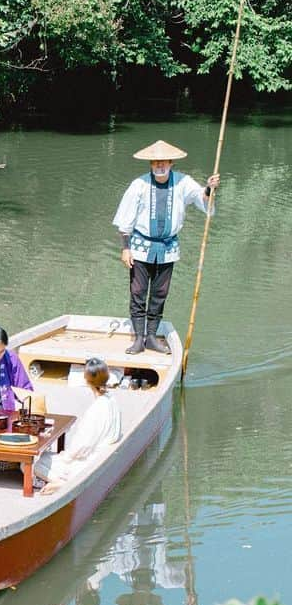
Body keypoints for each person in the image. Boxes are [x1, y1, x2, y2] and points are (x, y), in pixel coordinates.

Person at [113, 139, 220, 355]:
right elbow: (125, 219)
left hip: (168, 249)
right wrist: (125, 248)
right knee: (138, 292)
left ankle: (152, 337)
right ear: (151, 164)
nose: (160, 166)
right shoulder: (139, 185)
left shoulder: (182, 182)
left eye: (164, 162)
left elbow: (201, 197)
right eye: (156, 163)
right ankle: (139, 338)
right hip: (141, 248)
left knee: (160, 294)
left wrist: (209, 188)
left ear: (171, 163)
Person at [35, 357, 121, 494]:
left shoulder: (97, 409)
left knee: (32, 463)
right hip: (98, 455)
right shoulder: (112, 401)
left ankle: (63, 483)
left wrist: (66, 457)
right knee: (48, 456)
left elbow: (83, 445)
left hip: (88, 462)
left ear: (87, 380)